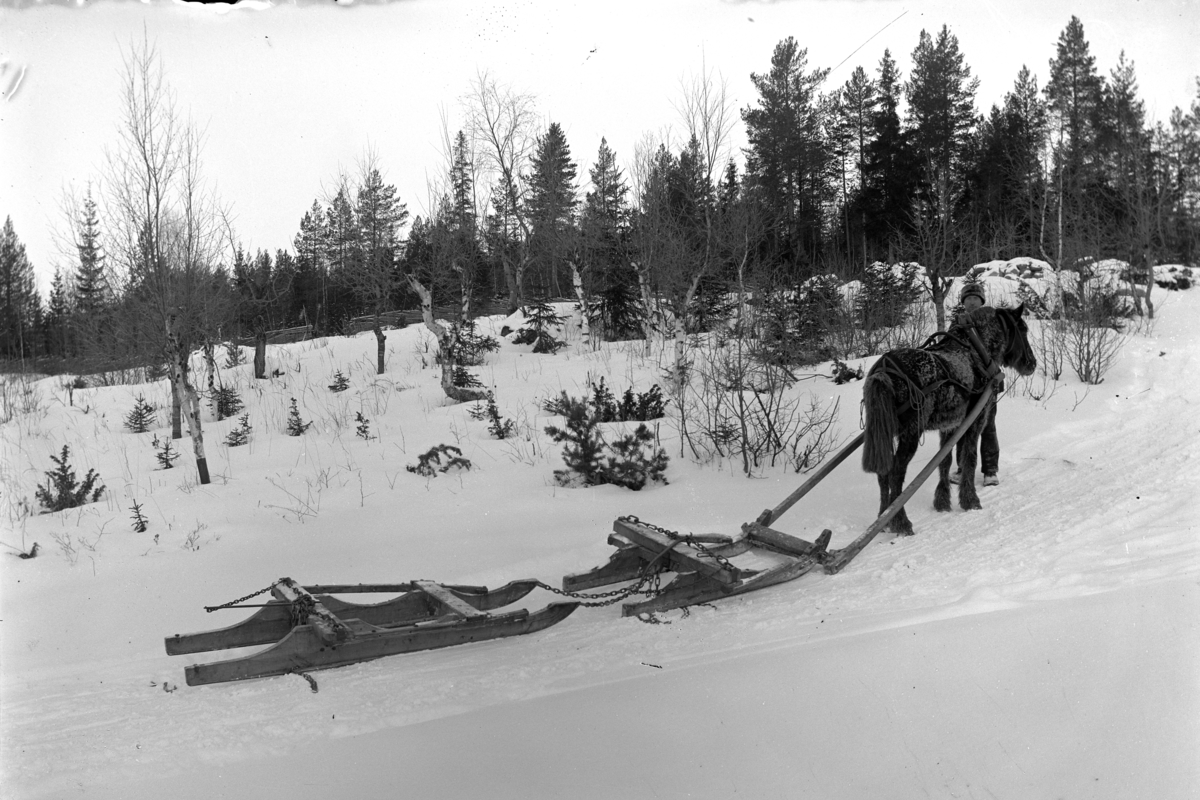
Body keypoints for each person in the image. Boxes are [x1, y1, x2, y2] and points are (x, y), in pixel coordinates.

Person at [951, 280, 1001, 487]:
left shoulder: (992, 322)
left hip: (987, 383)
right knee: (963, 426)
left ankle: (990, 471)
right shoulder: (957, 323)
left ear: (981, 301)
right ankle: (963, 468)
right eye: (968, 299)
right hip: (965, 384)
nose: (971, 302)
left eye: (975, 298)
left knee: (987, 426)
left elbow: (999, 350)